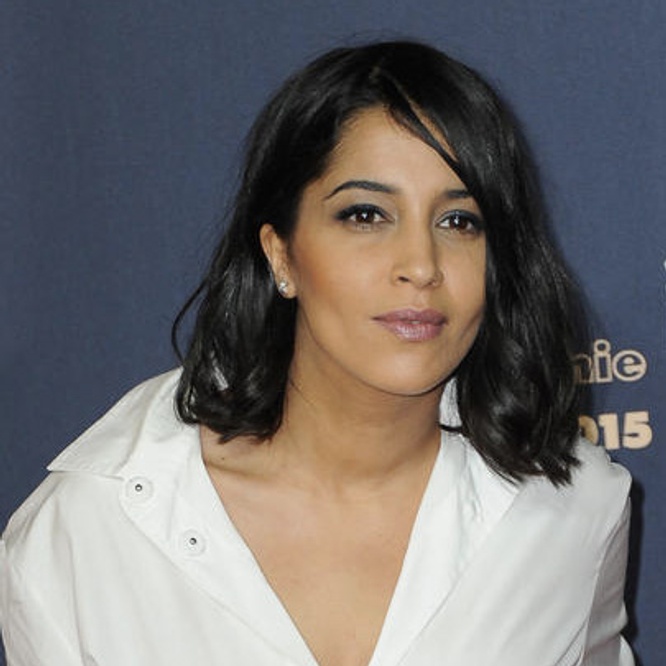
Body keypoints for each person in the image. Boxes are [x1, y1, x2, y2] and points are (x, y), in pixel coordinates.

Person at [0, 40, 634, 665]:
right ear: (281, 255)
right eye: (366, 215)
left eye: (459, 221)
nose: (421, 265)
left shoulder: (575, 514)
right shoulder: (88, 530)